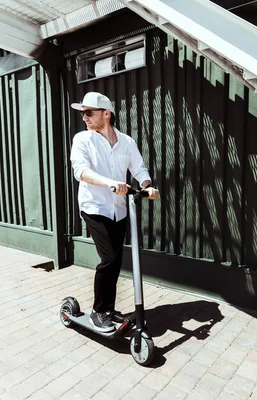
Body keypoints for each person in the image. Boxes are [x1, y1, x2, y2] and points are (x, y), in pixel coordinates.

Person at [69, 92, 159, 333]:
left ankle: (108, 309)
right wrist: (109, 182)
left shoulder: (126, 142)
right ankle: (98, 311)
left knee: (116, 262)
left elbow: (139, 169)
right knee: (109, 258)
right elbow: (82, 171)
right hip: (94, 207)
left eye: (89, 112)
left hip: (119, 209)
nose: (84, 117)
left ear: (106, 113)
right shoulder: (82, 140)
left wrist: (147, 186)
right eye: (82, 113)